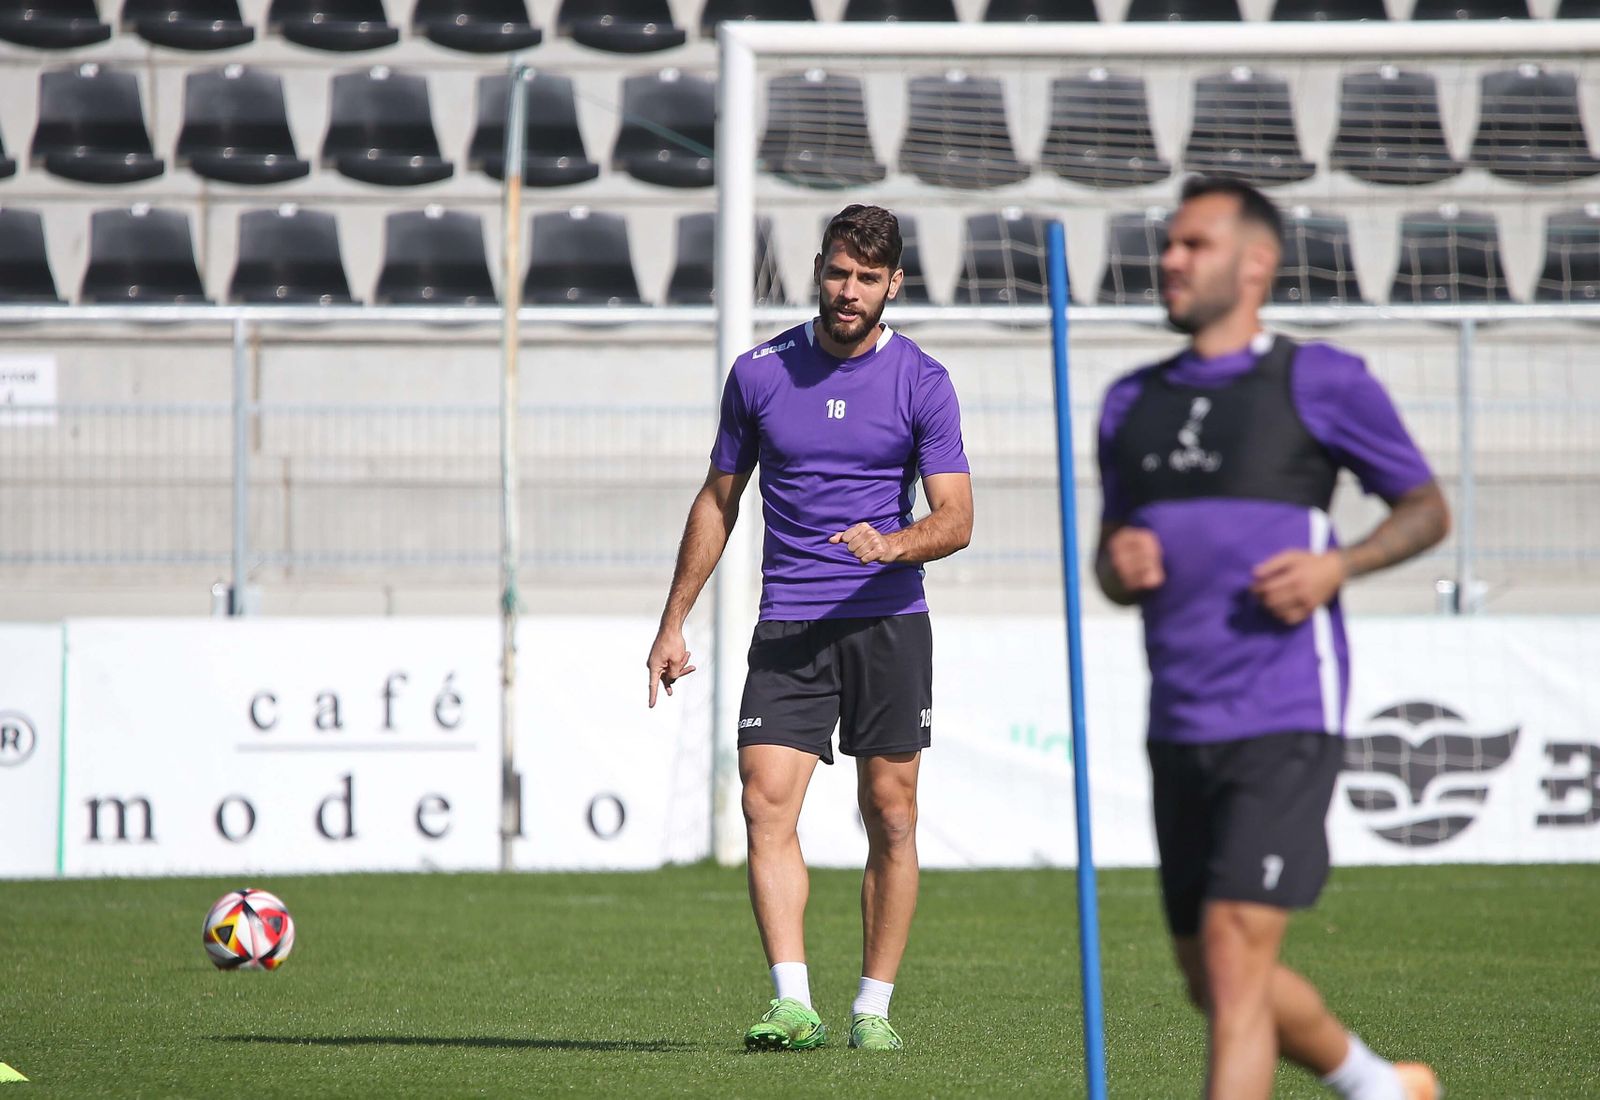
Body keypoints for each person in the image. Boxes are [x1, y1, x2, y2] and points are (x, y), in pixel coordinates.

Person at [1095, 176, 1449, 1100]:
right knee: (1211, 979)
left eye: (1193, 245)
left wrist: (1340, 566)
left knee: (1233, 955)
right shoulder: (1128, 404)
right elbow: (1108, 558)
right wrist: (1116, 563)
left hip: (1286, 709)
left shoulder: (1320, 380)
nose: (1169, 260)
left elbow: (1424, 509)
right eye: (1168, 244)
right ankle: (1378, 1084)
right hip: (1179, 717)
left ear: (1257, 264)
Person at [646, 204, 973, 1053]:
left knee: (891, 812)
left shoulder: (923, 382)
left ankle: (874, 1008)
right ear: (818, 270)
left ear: (894, 283)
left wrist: (891, 544)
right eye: (837, 272)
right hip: (788, 622)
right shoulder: (759, 374)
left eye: (868, 277)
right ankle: (793, 1002)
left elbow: (958, 518)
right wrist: (672, 620)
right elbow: (719, 498)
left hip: (888, 620)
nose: (849, 290)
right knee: (764, 801)